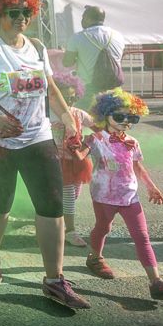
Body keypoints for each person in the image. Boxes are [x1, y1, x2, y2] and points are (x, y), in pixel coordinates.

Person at [0, 0, 90, 309]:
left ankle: (54, 280)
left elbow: (50, 87)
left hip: (37, 136)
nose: (21, 18)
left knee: (51, 205)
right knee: (0, 202)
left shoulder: (37, 47)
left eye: (26, 12)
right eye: (13, 12)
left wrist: (67, 118)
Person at [73, 88, 163, 299]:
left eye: (131, 117)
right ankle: (95, 258)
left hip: (130, 195)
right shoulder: (95, 139)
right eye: (119, 116)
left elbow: (138, 167)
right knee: (103, 227)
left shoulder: (132, 141)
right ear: (105, 115)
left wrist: (151, 186)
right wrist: (74, 146)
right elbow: (79, 156)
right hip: (104, 195)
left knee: (142, 237)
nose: (125, 121)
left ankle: (156, 282)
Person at [50, 72, 93, 247]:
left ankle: (56, 219)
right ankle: (70, 231)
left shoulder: (79, 114)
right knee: (68, 196)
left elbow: (98, 126)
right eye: (65, 96)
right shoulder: (49, 113)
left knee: (73, 195)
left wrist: (90, 144)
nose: (69, 101)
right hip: (55, 161)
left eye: (72, 97)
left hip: (76, 162)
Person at [63, 5, 126, 107]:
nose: (82, 20)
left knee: (88, 120)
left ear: (87, 18)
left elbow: (67, 62)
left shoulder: (77, 38)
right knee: (113, 120)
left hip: (89, 89)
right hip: (114, 87)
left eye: (83, 17)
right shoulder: (118, 35)